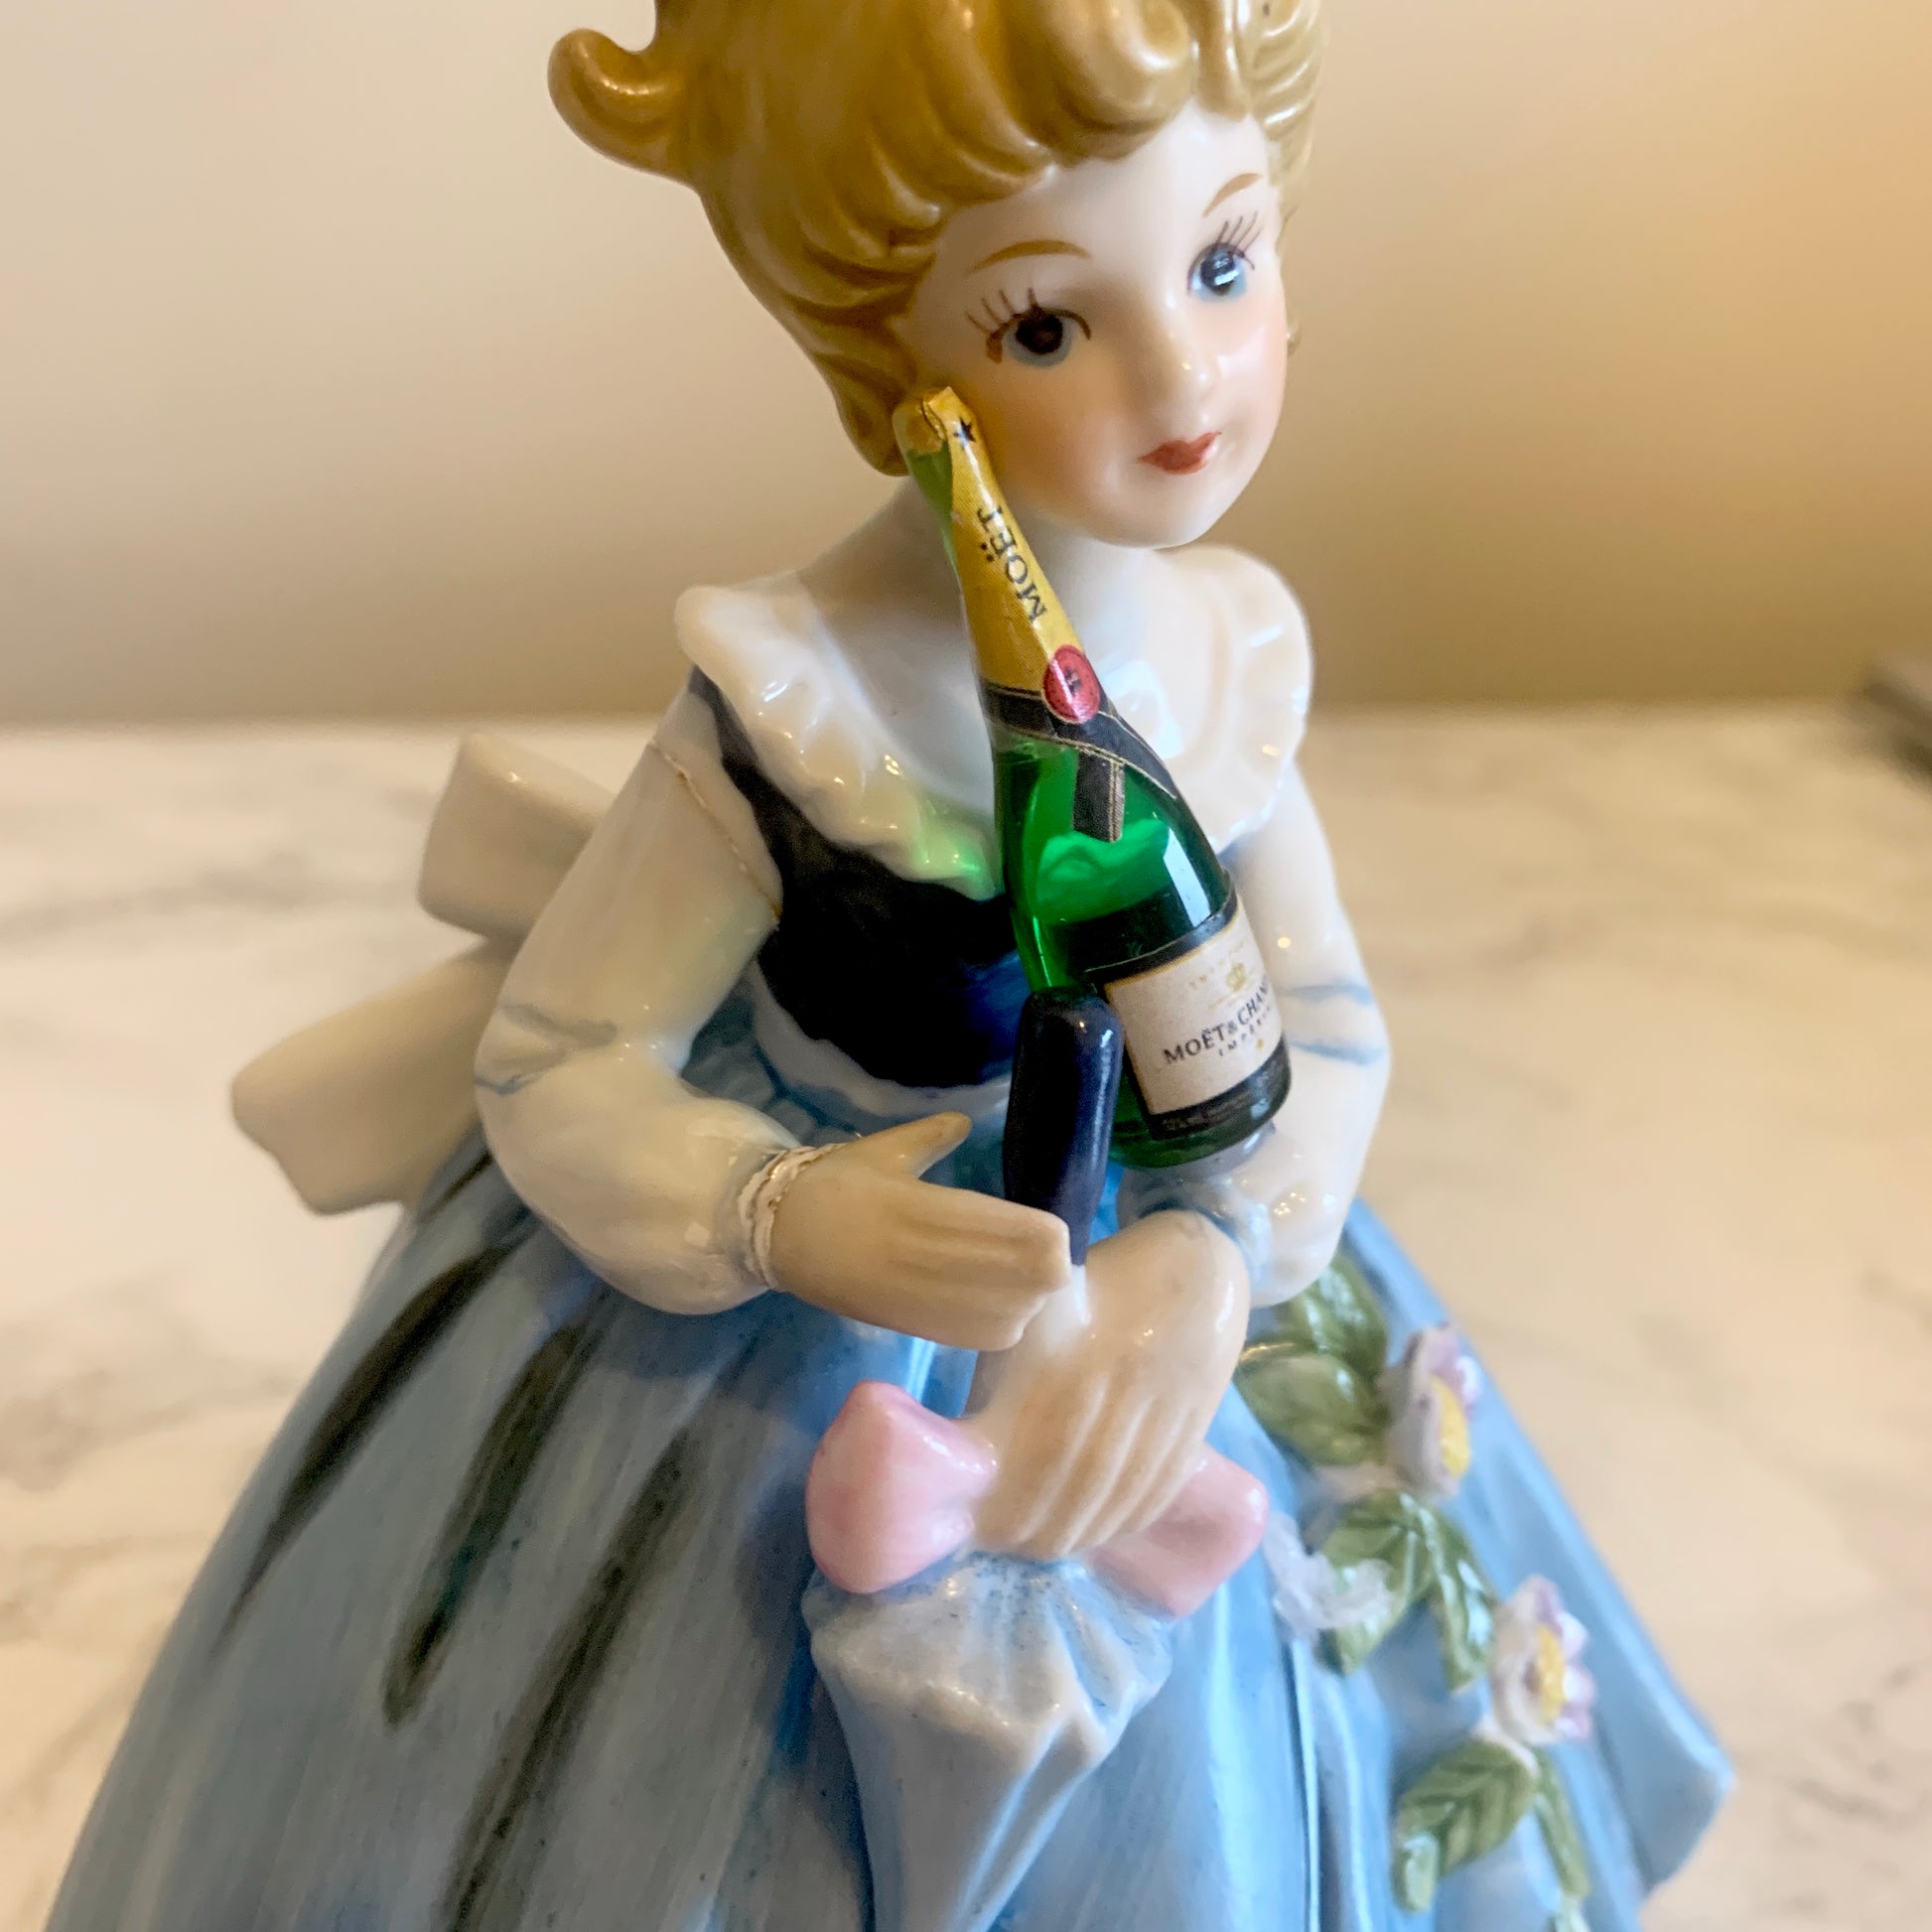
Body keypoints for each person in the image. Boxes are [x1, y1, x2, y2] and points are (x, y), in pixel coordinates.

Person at [47, 3, 1727, 1927]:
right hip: (781, 1332)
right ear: (894, 357)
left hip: (1152, 1284)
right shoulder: (797, 702)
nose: (1184, 373)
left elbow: (1323, 1020)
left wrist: (1209, 1255)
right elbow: (559, 1057)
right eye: (1047, 323)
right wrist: (779, 1211)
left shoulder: (1223, 651)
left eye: (1222, 261)